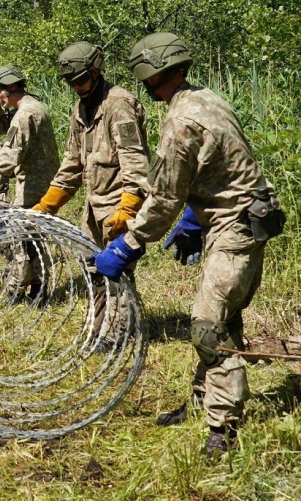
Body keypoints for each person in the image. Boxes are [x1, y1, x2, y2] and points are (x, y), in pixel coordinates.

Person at [91, 32, 286, 458]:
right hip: (241, 215)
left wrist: (128, 245)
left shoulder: (180, 121)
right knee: (222, 314)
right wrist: (196, 219)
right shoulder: (206, 98)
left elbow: (164, 196)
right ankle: (205, 400)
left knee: (206, 323)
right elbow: (227, 162)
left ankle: (223, 426)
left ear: (148, 74)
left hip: (236, 225)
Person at [32, 42, 151, 347]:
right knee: (94, 270)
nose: (77, 87)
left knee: (117, 272)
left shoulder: (118, 105)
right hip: (93, 208)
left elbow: (135, 164)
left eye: (82, 80)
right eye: (71, 83)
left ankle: (120, 333)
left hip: (119, 205)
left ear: (97, 72)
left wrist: (129, 208)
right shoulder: (81, 108)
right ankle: (101, 324)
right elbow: (73, 162)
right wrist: (47, 205)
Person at [0, 65, 61, 299]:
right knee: (32, 237)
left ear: (11, 87)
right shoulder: (33, 107)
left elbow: (9, 154)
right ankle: (38, 287)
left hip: (34, 184)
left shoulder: (24, 115)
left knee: (20, 237)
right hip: (40, 180)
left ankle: (15, 287)